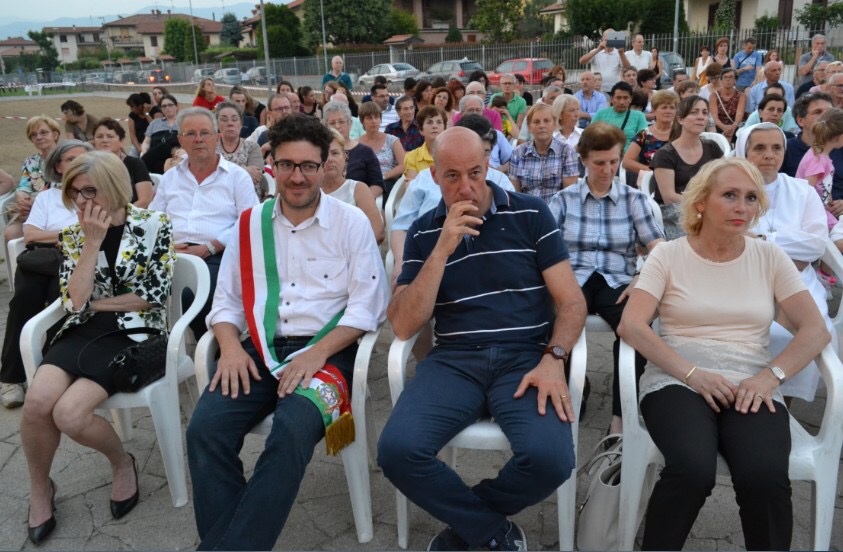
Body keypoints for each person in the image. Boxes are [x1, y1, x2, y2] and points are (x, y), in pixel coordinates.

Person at [378, 126, 587, 551]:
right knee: (397, 451)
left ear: (488, 166)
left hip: (526, 358)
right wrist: (442, 248)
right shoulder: (423, 231)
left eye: (475, 172)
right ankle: (493, 532)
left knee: (551, 459)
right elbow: (402, 325)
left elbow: (572, 302)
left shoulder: (530, 214)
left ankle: (471, 526)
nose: (466, 187)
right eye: (452, 176)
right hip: (455, 360)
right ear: (434, 176)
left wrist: (555, 358)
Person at [186, 113, 387, 551]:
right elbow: (227, 303)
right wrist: (228, 348)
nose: (297, 177)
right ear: (272, 165)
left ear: (324, 165)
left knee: (291, 431)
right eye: (287, 165)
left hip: (330, 354)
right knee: (205, 430)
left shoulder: (351, 222)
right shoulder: (248, 224)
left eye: (308, 166)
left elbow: (368, 306)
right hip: (258, 349)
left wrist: (316, 354)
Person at [617, 157, 830, 551]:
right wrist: (692, 374)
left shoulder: (769, 257)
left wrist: (770, 377)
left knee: (765, 476)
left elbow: (816, 329)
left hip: (751, 382)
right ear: (701, 202)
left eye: (751, 198)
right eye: (730, 195)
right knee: (691, 469)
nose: (742, 207)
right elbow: (631, 325)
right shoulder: (668, 255)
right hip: (677, 379)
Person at [20, 151, 176, 545]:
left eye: (89, 190)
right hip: (83, 329)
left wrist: (95, 303)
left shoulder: (155, 224)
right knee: (37, 403)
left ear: (113, 187)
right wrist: (91, 244)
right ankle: (41, 488)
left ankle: (122, 462)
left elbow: (151, 297)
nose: (81, 200)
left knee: (69, 414)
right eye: (74, 192)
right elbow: (74, 303)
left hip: (136, 333)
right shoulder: (75, 234)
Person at [549, 122, 664, 436]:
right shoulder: (564, 199)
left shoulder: (633, 199)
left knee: (636, 327)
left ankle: (621, 415)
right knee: (555, 320)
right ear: (583, 160)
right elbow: (544, 248)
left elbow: (659, 248)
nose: (608, 169)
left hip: (617, 279)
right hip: (572, 277)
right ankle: (569, 390)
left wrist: (641, 276)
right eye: (599, 162)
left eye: (614, 161)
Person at [736, 123, 837, 403]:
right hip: (742, 278)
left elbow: (815, 244)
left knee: (803, 333)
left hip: (797, 283)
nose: (769, 155)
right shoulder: (731, 191)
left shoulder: (802, 191)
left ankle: (785, 404)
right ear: (744, 152)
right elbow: (731, 242)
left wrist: (761, 239)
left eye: (776, 148)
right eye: (759, 148)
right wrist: (789, 248)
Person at [149, 107, 259, 338]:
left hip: (219, 254)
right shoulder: (170, 178)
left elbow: (250, 222)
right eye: (190, 134)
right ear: (181, 140)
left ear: (216, 137)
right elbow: (153, 219)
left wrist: (210, 247)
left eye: (205, 133)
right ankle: (153, 347)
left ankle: (211, 346)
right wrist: (167, 246)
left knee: (193, 293)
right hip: (172, 253)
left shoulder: (237, 176)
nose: (198, 139)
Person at [0, 140, 92, 409]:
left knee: (59, 299)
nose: (78, 164)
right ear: (58, 167)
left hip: (80, 261)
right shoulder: (47, 197)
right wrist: (69, 235)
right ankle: (11, 378)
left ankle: (52, 372)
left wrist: (62, 238)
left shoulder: (95, 194)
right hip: (42, 259)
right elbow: (30, 235)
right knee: (23, 301)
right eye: (71, 159)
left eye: (83, 159)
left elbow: (97, 232)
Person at [652, 95, 725, 239]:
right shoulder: (665, 154)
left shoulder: (712, 147)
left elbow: (726, 178)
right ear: (680, 119)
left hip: (709, 207)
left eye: (704, 112)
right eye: (694, 112)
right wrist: (703, 205)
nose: (701, 117)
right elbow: (669, 197)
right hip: (677, 210)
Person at [321, 128, 385, 242]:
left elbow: (378, 232)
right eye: (324, 154)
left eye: (335, 153)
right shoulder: (309, 191)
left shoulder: (358, 189)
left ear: (345, 156)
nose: (330, 159)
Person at [7, 115, 62, 241]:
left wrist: (35, 201)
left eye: (44, 132)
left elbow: (63, 189)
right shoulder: (31, 161)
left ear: (55, 135)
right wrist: (20, 197)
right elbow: (23, 186)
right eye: (33, 135)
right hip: (32, 210)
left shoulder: (65, 158)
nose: (38, 137)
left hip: (58, 209)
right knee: (10, 233)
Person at [781, 92, 843, 202]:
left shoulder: (839, 148)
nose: (825, 117)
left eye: (829, 112)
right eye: (818, 112)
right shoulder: (785, 149)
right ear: (801, 120)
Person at [509, 103, 579, 200]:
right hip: (527, 207)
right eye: (536, 122)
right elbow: (515, 194)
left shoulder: (567, 152)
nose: (541, 126)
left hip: (556, 207)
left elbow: (569, 195)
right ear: (529, 127)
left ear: (554, 125)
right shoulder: (518, 153)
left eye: (546, 121)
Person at [323, 101, 384, 198]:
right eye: (332, 123)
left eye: (341, 122)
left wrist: (362, 201)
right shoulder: (319, 152)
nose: (337, 126)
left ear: (350, 124)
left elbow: (377, 184)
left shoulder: (365, 152)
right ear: (326, 126)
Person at [796, 108, 843, 230]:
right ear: (840, 136)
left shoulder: (821, 156)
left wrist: (830, 204)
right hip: (813, 215)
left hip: (822, 211)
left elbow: (824, 186)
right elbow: (807, 190)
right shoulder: (817, 159)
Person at [93, 118, 154, 208]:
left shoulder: (135, 164)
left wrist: (122, 214)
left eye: (110, 136)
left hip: (131, 213)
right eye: (99, 137)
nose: (104, 140)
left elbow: (145, 200)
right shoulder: (89, 165)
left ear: (121, 141)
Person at [623, 90, 677, 186]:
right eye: (664, 107)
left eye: (672, 108)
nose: (668, 111)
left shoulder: (681, 133)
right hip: (649, 181)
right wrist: (653, 173)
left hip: (677, 179)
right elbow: (627, 162)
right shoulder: (644, 134)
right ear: (654, 110)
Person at [212, 102, 266, 200]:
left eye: (234, 119)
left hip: (247, 197)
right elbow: (208, 175)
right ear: (217, 124)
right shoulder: (211, 147)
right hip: (216, 197)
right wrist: (244, 169)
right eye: (224, 119)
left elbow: (256, 177)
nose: (230, 123)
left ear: (241, 123)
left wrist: (221, 170)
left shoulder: (252, 147)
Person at [357, 101, 405, 197]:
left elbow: (403, 165)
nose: (374, 121)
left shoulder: (392, 140)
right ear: (362, 121)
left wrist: (383, 176)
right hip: (363, 182)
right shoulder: (356, 144)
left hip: (387, 180)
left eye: (376, 117)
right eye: (369, 118)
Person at [591, 82, 649, 153]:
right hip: (605, 154)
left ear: (630, 99)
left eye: (625, 98)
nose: (622, 102)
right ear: (612, 99)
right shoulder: (601, 114)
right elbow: (590, 135)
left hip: (629, 156)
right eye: (618, 98)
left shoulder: (639, 116)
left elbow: (644, 139)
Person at [579, 28, 631, 92]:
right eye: (606, 40)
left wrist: (621, 53)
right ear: (602, 40)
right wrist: (598, 49)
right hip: (597, 89)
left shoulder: (618, 53)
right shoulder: (595, 51)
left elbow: (627, 68)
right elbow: (582, 61)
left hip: (613, 89)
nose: (609, 42)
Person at [403, 105, 446, 181]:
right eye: (429, 122)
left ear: (444, 128)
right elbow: (412, 186)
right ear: (421, 130)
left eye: (439, 122)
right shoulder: (412, 156)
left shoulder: (454, 154)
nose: (435, 126)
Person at [140, 94, 180, 174]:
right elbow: (146, 142)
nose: (167, 108)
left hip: (174, 155)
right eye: (164, 106)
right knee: (158, 163)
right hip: (156, 157)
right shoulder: (155, 123)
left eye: (170, 105)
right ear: (161, 108)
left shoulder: (183, 122)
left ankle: (139, 169)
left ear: (176, 106)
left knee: (165, 146)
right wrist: (144, 152)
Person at [710, 68, 746, 144]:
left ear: (735, 81)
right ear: (721, 80)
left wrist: (732, 128)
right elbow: (714, 116)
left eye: (731, 77)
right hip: (718, 127)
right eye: (725, 77)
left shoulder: (741, 96)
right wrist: (724, 127)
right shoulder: (714, 96)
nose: (728, 79)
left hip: (735, 126)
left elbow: (739, 114)